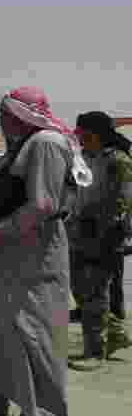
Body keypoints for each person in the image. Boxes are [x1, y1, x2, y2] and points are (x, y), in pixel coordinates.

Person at [0, 86, 90, 416]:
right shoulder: (25, 144)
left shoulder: (44, 142)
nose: (1, 121)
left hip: (33, 253)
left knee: (29, 331)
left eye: (6, 114)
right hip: (9, 251)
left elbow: (43, 205)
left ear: (23, 115)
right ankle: (0, 400)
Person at [67, 111, 132, 370]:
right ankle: (116, 335)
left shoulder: (118, 160)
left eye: (83, 134)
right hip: (80, 232)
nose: (80, 138)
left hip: (105, 234)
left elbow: (125, 200)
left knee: (95, 292)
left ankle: (95, 353)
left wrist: (120, 232)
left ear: (96, 134)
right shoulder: (84, 158)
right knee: (80, 289)